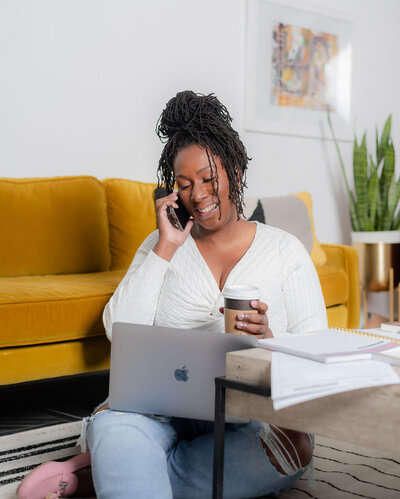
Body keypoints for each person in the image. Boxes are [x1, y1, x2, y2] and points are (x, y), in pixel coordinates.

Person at [17, 90, 327, 499]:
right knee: (117, 423)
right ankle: (125, 459)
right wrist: (165, 248)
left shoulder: (285, 251)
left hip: (249, 420)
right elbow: (119, 329)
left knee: (289, 450)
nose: (197, 195)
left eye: (207, 178)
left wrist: (271, 343)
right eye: (184, 185)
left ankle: (107, 473)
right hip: (161, 411)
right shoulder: (162, 244)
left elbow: (318, 361)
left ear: (233, 170)